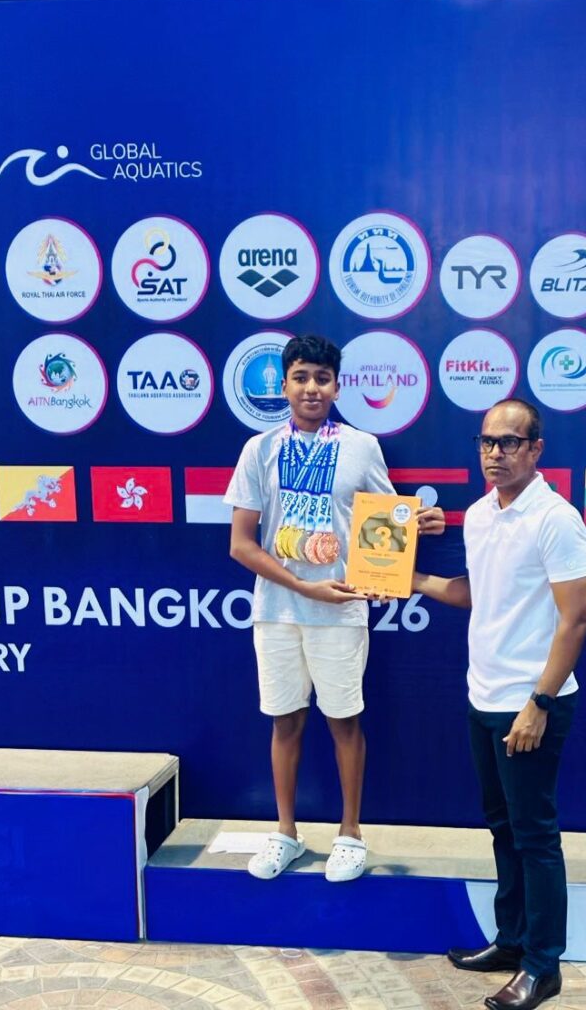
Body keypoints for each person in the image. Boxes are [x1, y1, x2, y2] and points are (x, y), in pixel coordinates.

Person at [226, 334, 444, 883]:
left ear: (338, 387)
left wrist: (420, 523)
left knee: (344, 721)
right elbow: (241, 545)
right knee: (285, 721)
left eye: (322, 379)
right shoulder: (259, 449)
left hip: (342, 608)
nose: (311, 388)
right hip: (278, 611)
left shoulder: (361, 446)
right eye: (301, 378)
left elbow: (387, 522)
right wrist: (304, 588)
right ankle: (286, 832)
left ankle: (350, 834)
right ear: (284, 385)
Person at [413, 398, 586, 1010]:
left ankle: (543, 966)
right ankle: (512, 941)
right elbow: (479, 592)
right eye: (487, 442)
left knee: (535, 837)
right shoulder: (479, 514)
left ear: (536, 449)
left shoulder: (556, 518)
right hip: (483, 695)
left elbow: (577, 617)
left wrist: (539, 702)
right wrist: (412, 581)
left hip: (531, 703)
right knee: (502, 828)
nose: (495, 453)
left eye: (510, 442)